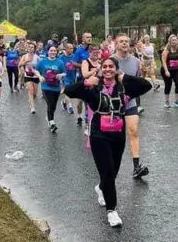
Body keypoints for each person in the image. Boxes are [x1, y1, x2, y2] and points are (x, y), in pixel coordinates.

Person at [64, 57, 152, 227]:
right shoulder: (93, 88)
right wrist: (86, 81)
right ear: (100, 69)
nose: (108, 69)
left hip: (118, 135)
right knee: (108, 172)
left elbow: (145, 85)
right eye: (104, 67)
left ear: (116, 68)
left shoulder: (124, 87)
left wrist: (123, 77)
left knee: (113, 171)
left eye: (111, 66)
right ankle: (112, 211)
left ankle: (101, 187)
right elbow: (69, 90)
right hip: (98, 135)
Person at [113, 33, 149, 178]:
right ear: (116, 44)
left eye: (126, 41)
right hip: (114, 103)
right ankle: (111, 165)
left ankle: (136, 167)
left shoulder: (135, 61)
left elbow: (137, 80)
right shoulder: (110, 61)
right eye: (121, 41)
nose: (124, 43)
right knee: (116, 136)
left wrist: (131, 94)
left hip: (130, 101)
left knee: (133, 131)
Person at [34, 46, 66, 133]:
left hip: (56, 87)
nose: (53, 52)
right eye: (51, 50)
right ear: (48, 52)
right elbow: (36, 70)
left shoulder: (60, 62)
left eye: (54, 51)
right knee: (50, 103)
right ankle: (52, 123)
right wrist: (40, 76)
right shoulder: (43, 61)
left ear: (56, 52)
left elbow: (64, 73)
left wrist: (61, 75)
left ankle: (49, 117)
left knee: (54, 105)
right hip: (46, 86)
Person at [72, 32, 92, 126]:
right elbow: (74, 63)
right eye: (87, 37)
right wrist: (84, 66)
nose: (89, 39)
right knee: (80, 101)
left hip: (90, 77)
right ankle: (79, 116)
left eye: (90, 37)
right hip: (80, 77)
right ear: (83, 39)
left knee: (88, 100)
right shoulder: (79, 50)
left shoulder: (92, 49)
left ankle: (87, 118)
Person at [161, 34, 178, 108]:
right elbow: (163, 61)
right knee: (168, 84)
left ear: (177, 41)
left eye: (175, 40)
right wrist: (166, 71)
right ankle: (167, 101)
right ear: (170, 41)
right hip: (167, 69)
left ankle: (177, 101)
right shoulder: (167, 49)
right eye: (173, 40)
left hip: (176, 69)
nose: (174, 41)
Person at [19, 43, 41, 114]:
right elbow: (19, 65)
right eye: (29, 47)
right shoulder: (24, 56)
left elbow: (41, 66)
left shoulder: (37, 57)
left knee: (35, 93)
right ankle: (32, 108)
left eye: (32, 47)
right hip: (27, 75)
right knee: (30, 91)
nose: (30, 48)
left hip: (35, 76)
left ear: (34, 49)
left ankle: (31, 99)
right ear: (27, 48)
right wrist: (26, 61)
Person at [59, 43, 77, 114]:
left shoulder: (75, 56)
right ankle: (70, 107)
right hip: (65, 77)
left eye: (72, 48)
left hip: (73, 76)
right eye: (69, 48)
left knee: (71, 92)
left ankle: (64, 102)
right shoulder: (61, 57)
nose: (71, 50)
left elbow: (79, 65)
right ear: (65, 49)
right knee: (67, 90)